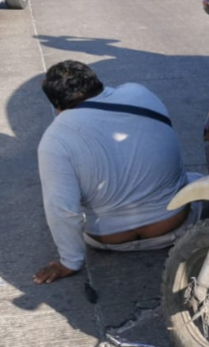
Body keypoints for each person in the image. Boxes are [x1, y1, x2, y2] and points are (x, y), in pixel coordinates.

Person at [34, 61, 191, 285]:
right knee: (194, 180)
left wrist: (69, 261)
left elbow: (61, 209)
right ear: (95, 81)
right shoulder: (139, 93)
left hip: (110, 240)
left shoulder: (54, 138)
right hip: (174, 225)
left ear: (56, 105)